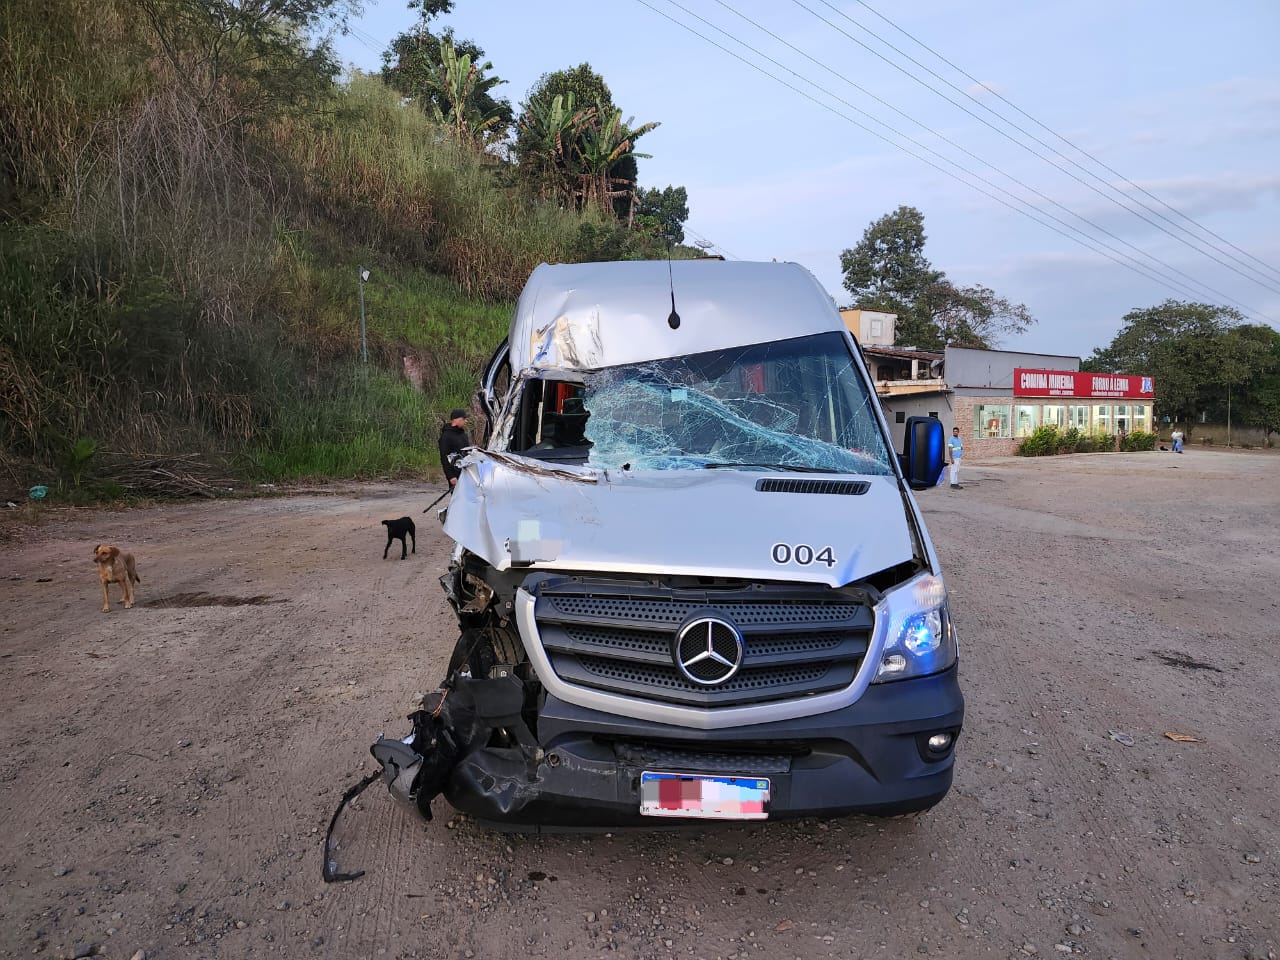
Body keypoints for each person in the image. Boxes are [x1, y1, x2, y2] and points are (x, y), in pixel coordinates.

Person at [438, 408, 471, 489]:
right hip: (454, 473)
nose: (465, 421)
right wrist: (451, 476)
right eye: (463, 419)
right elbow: (444, 458)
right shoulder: (446, 436)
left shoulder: (463, 435)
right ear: (455, 419)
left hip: (466, 472)